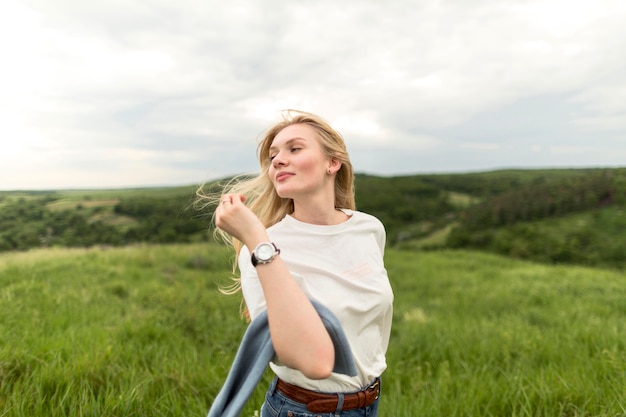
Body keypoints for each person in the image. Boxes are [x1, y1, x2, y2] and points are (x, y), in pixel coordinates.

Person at [205, 109, 394, 416]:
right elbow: (314, 363)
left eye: (294, 149)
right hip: (302, 409)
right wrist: (256, 238)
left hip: (369, 404)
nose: (278, 160)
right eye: (273, 155)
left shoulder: (369, 229)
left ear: (332, 163)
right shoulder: (260, 250)